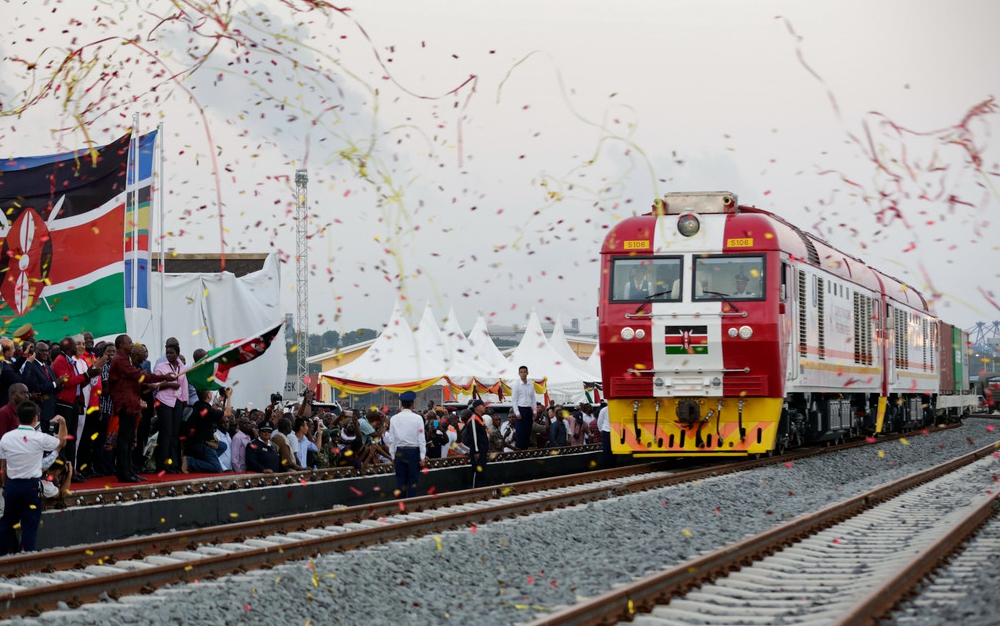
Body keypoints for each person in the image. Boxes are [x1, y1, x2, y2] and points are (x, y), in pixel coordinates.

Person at [0, 401, 67, 554]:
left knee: (7, 523)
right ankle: (26, 557)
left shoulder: (6, 438)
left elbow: (3, 465)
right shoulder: (39, 437)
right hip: (31, 487)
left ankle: (2, 557)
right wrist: (62, 422)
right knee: (29, 526)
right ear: (35, 418)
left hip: (12, 486)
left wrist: (5, 486)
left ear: (18, 417)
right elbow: (62, 441)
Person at [107, 335, 175, 483]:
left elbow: (135, 380)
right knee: (125, 439)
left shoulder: (125, 359)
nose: (132, 345)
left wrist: (148, 385)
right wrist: (163, 378)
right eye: (129, 343)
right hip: (126, 403)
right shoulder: (119, 360)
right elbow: (137, 376)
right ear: (121, 345)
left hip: (131, 403)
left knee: (130, 439)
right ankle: (124, 472)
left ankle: (129, 470)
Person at [153, 342, 187, 473]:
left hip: (177, 401)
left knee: (175, 433)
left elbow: (184, 384)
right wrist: (170, 385)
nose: (169, 355)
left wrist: (185, 400)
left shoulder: (182, 367)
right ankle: (163, 465)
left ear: (177, 354)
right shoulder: (161, 366)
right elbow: (156, 385)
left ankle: (174, 464)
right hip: (164, 401)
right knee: (165, 433)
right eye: (167, 353)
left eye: (172, 353)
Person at [387, 390, 426, 498]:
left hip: (399, 451)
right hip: (414, 452)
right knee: (412, 481)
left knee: (400, 481)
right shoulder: (418, 418)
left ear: (402, 404)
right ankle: (411, 504)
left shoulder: (394, 419)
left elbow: (391, 439)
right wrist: (422, 456)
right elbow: (421, 438)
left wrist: (392, 455)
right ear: (413, 404)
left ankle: (401, 505)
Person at [462, 399, 489, 488]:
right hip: (478, 451)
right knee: (477, 471)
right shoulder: (474, 419)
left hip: (482, 450)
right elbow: (474, 436)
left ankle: (481, 488)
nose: (484, 407)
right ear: (477, 407)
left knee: (482, 471)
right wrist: (476, 451)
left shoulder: (480, 419)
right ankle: (475, 488)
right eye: (483, 405)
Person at [511, 365, 534, 450]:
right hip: (520, 409)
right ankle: (519, 450)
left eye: (525, 372)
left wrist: (534, 411)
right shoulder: (516, 385)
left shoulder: (530, 385)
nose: (523, 374)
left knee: (528, 431)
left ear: (527, 373)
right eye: (521, 372)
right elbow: (514, 399)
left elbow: (533, 398)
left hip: (528, 409)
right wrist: (517, 412)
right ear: (519, 373)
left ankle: (525, 449)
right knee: (520, 431)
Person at [597, 402, 615, 468]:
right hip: (607, 430)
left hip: (610, 431)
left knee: (611, 450)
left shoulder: (604, 410)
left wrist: (601, 429)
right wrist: (601, 429)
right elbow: (600, 421)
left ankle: (611, 465)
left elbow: (599, 421)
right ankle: (607, 466)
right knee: (607, 450)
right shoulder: (604, 410)